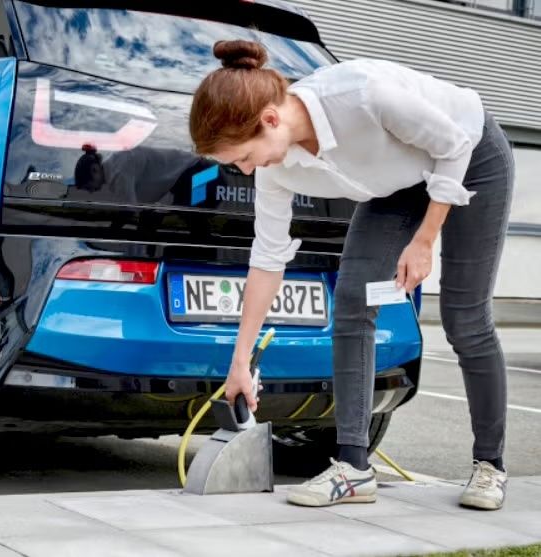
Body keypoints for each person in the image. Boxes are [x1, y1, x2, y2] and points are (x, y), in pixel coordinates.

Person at [189, 40, 513, 510]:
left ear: (270, 119)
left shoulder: (363, 94)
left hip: (470, 154)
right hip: (399, 183)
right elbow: (268, 258)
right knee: (353, 303)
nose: (245, 169)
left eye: (243, 156)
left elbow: (452, 145)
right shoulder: (276, 170)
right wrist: (241, 362)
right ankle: (354, 468)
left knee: (465, 317)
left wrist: (423, 242)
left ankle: (490, 466)